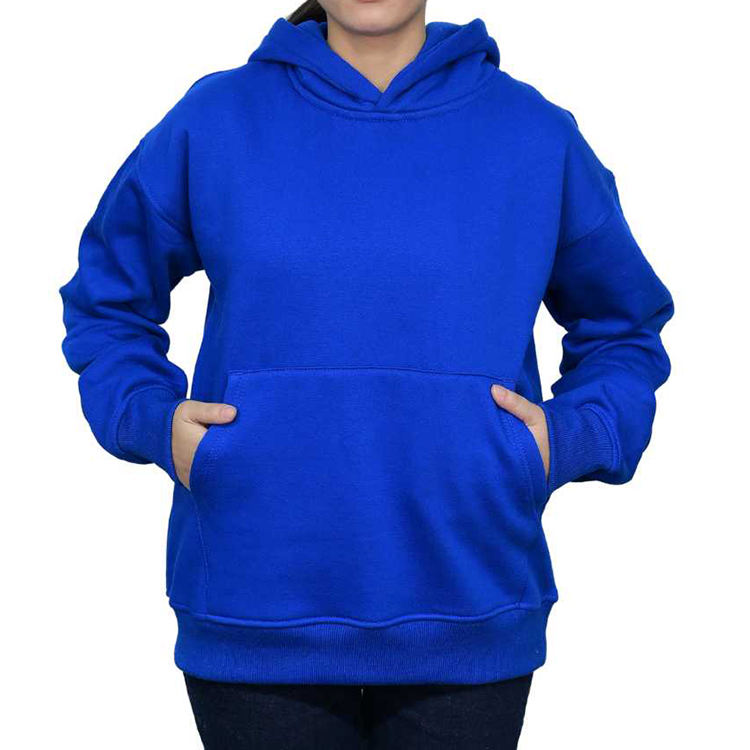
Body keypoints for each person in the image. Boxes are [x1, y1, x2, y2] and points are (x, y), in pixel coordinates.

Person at [59, 0, 673, 747]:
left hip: (469, 592)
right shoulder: (214, 121)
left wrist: (566, 439)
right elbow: (106, 303)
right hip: (256, 599)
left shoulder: (534, 135)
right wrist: (153, 420)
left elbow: (623, 327)